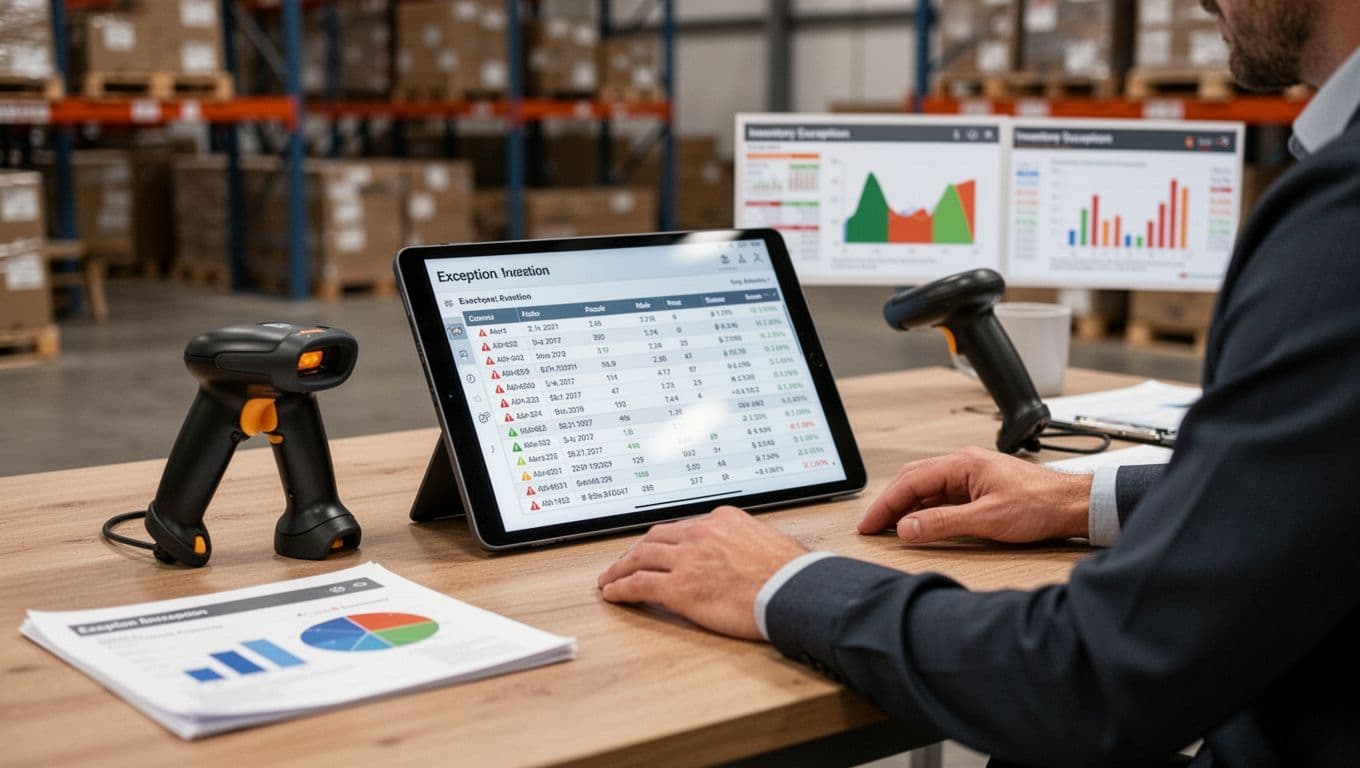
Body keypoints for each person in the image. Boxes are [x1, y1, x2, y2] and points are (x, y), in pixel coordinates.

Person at [597, 0, 1360, 764]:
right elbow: (1317, 489)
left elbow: (1094, 675)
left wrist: (786, 584)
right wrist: (1074, 498)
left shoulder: (1340, 221)